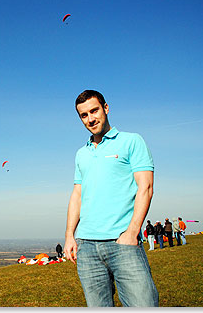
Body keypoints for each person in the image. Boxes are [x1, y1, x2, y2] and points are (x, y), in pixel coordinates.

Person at [63, 90, 159, 307]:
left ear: (106, 108)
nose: (90, 119)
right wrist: (70, 235)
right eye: (84, 115)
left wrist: (132, 232)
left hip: (122, 243)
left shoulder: (132, 141)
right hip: (86, 247)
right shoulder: (81, 154)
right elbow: (77, 194)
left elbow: (146, 187)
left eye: (94, 111)